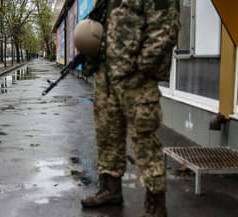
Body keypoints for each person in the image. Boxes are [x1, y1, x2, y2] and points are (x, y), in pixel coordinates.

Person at [80, 1, 180, 217]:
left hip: (136, 77)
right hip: (106, 75)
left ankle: (155, 204)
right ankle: (110, 189)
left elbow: (165, 27)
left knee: (144, 138)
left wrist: (142, 68)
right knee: (107, 135)